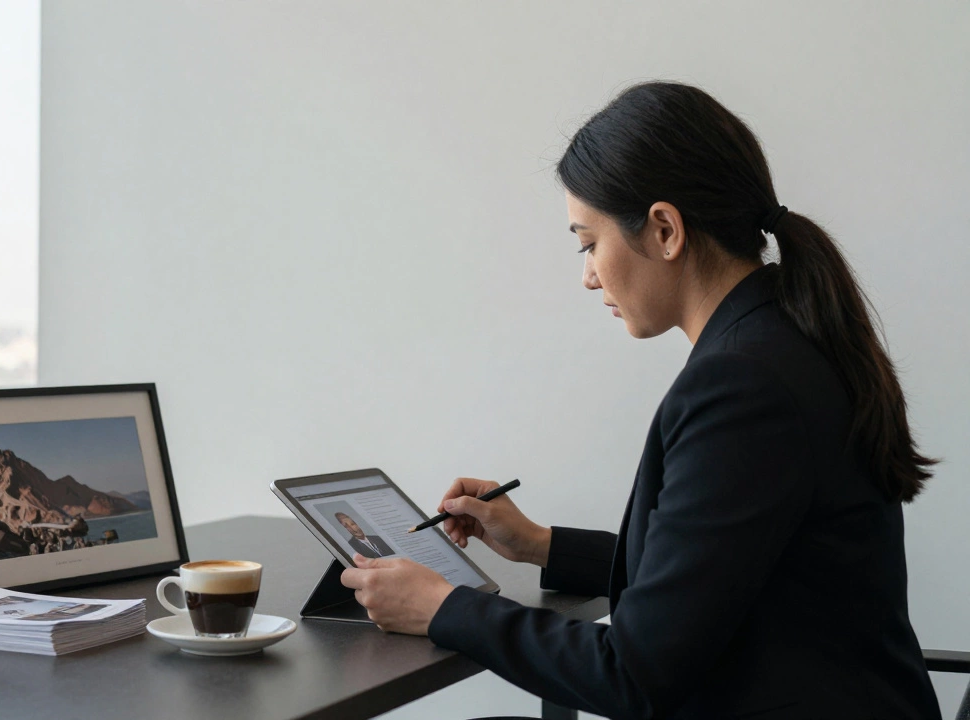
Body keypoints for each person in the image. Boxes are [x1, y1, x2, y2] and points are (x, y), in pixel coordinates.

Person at [339, 82, 941, 719]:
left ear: (664, 229)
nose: (588, 274)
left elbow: (634, 675)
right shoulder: (784, 340)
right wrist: (539, 544)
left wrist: (443, 609)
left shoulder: (743, 387)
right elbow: (712, 574)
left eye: (587, 243)